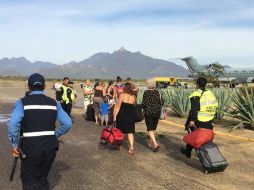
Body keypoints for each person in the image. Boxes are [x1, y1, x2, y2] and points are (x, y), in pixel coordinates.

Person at [8, 73, 72, 190]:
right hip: (50, 148)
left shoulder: (21, 103)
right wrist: (54, 135)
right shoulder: (54, 103)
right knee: (42, 178)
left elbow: (13, 124)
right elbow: (67, 123)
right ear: (45, 86)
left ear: (28, 87)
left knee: (29, 179)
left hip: (30, 148)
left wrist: (14, 144)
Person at [181, 77, 218, 158]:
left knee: (193, 135)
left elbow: (194, 109)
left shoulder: (196, 94)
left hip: (199, 120)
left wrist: (192, 120)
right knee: (206, 137)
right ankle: (208, 155)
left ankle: (189, 151)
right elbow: (215, 105)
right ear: (205, 84)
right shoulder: (210, 93)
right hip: (210, 119)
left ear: (197, 84)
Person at [141, 78, 163, 152]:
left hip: (149, 113)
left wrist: (139, 107)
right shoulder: (158, 92)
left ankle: (155, 144)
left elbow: (144, 103)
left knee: (150, 129)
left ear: (148, 84)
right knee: (153, 129)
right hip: (157, 113)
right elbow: (162, 102)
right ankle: (149, 144)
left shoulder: (146, 93)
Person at [114, 83, 136, 155]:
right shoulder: (133, 96)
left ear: (125, 88)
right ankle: (131, 147)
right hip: (130, 116)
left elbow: (118, 106)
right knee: (130, 132)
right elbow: (133, 106)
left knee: (120, 131)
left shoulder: (122, 95)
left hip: (122, 115)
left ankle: (118, 145)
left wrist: (115, 116)